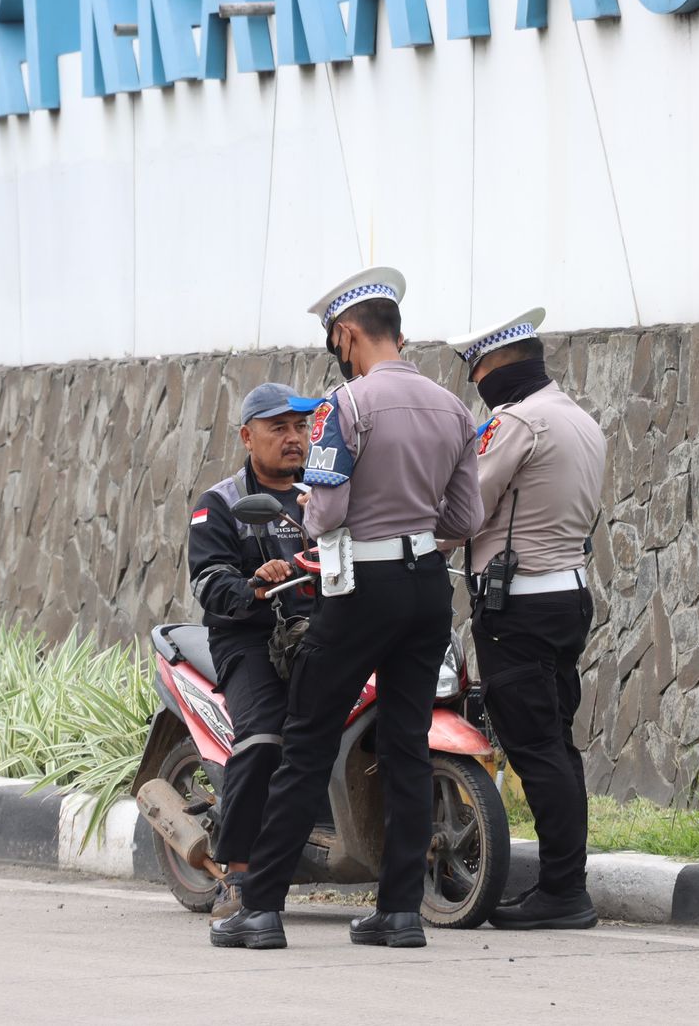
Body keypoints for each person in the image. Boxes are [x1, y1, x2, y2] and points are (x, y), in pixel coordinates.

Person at [210, 268, 483, 951]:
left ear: (349, 333)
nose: (341, 355)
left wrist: (319, 511)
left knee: (305, 743)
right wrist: (412, 527)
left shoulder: (345, 407)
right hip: (428, 587)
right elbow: (465, 518)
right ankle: (400, 913)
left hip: (361, 587)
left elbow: (326, 512)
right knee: (406, 746)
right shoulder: (454, 409)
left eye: (338, 343)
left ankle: (261, 910)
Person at [442, 310, 607, 929]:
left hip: (519, 608)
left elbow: (464, 514)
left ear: (494, 367)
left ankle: (564, 892)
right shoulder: (578, 418)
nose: (475, 384)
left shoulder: (516, 423)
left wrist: (401, 534)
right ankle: (566, 883)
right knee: (557, 745)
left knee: (536, 747)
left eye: (476, 371)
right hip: (567, 597)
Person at [186, 383, 315, 919]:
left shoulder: (325, 494)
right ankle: (237, 874)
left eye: (300, 426)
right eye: (278, 428)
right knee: (263, 737)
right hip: (251, 638)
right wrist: (253, 585)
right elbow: (208, 580)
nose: (293, 437)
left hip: (322, 632)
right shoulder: (220, 503)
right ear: (247, 436)